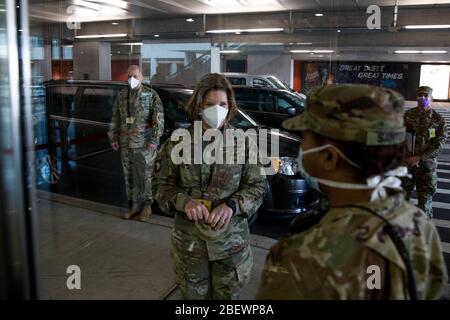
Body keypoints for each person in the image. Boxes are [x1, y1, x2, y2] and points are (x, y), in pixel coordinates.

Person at [257, 84, 448, 299]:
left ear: (330, 157)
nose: (301, 147)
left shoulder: (302, 253)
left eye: (306, 138)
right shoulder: (417, 223)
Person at [153, 73, 267, 299]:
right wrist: (183, 201)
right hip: (190, 246)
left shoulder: (244, 143)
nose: (217, 109)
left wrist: (232, 206)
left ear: (230, 106)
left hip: (231, 246)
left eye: (222, 104)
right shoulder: (178, 142)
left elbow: (257, 186)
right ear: (198, 106)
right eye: (209, 104)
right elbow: (160, 184)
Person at [108, 65, 164, 221]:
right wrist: (113, 137)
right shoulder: (121, 95)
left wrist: (154, 139)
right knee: (130, 175)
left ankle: (147, 206)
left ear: (142, 76)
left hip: (144, 143)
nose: (132, 79)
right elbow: (115, 117)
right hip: (126, 143)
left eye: (135, 76)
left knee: (145, 175)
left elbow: (158, 119)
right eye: (129, 77)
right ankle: (135, 205)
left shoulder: (150, 95)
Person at [403, 86, 448, 219]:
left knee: (425, 202)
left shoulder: (438, 119)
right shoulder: (408, 115)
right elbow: (398, 136)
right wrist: (405, 156)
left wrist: (419, 157)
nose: (422, 98)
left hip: (426, 167)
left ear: (431, 99)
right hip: (406, 165)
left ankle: (424, 233)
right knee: (401, 200)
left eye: (426, 96)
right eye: (420, 96)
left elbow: (439, 144)